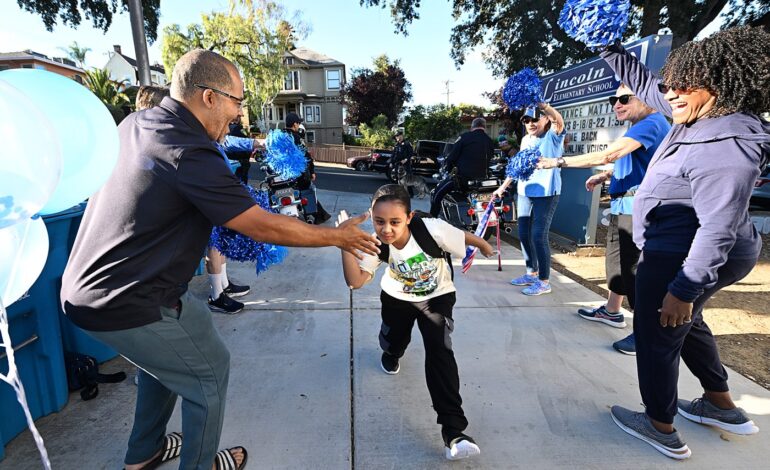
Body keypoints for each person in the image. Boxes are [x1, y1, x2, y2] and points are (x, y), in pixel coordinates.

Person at [61, 49, 379, 470]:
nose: (239, 115)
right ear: (209, 96)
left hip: (102, 288)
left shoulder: (137, 123)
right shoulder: (189, 149)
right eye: (237, 102)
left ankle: (145, 453)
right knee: (206, 374)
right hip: (127, 299)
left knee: (176, 355)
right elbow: (259, 225)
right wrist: (336, 237)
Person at [599, 27, 769, 459]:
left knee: (657, 331)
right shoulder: (695, 111)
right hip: (679, 245)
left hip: (685, 252)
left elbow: (719, 226)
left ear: (722, 83)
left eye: (683, 84)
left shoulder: (728, 142)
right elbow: (645, 83)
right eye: (671, 82)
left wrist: (685, 288)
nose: (671, 93)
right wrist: (607, 45)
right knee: (683, 323)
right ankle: (720, 404)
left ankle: (660, 424)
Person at [338, 184, 493, 461]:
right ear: (372, 218)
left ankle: (454, 433)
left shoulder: (431, 229)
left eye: (395, 222)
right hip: (396, 298)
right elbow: (356, 281)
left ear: (409, 218)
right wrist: (344, 243)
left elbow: (460, 236)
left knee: (440, 350)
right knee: (394, 340)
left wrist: (482, 244)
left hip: (437, 296)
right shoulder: (375, 244)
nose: (387, 229)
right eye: (380, 221)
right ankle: (391, 351)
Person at [538, 84, 670, 354]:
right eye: (613, 99)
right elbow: (637, 164)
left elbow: (609, 154)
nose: (616, 104)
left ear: (646, 98)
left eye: (624, 98)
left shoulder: (652, 122)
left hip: (638, 211)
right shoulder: (643, 126)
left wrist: (557, 162)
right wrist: (607, 176)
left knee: (636, 274)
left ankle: (646, 334)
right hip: (625, 207)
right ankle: (612, 311)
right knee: (619, 268)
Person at [492, 103, 566, 296]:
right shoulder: (525, 140)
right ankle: (531, 273)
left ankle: (544, 281)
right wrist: (502, 187)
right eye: (527, 120)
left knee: (538, 236)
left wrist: (543, 105)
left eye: (535, 118)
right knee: (523, 234)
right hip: (525, 192)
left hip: (547, 194)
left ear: (545, 119)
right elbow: (517, 166)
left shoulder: (553, 136)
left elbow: (559, 120)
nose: (531, 123)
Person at [430, 117, 495, 216]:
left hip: (463, 180)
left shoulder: (465, 137)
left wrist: (448, 169)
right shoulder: (489, 141)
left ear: (472, 127)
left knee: (437, 193)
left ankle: (432, 219)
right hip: (482, 181)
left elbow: (452, 156)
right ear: (484, 127)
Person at [285, 112, 331, 224]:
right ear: (295, 124)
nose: (299, 125)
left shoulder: (281, 136)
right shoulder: (296, 138)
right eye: (298, 122)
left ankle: (322, 214)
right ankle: (314, 216)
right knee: (307, 192)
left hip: (284, 174)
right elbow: (306, 156)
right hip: (299, 174)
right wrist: (312, 171)